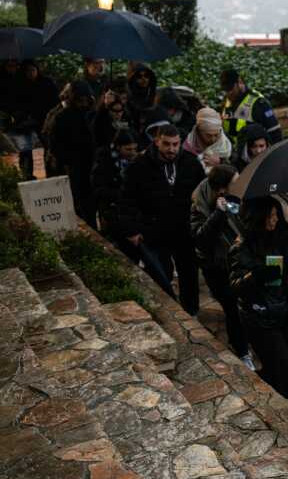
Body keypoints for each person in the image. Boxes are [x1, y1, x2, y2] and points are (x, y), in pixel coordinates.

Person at [118, 124, 206, 312]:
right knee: (161, 276)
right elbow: (127, 200)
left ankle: (191, 313)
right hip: (155, 230)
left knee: (189, 275)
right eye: (167, 144)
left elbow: (202, 195)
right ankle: (171, 313)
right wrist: (132, 230)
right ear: (157, 142)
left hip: (184, 231)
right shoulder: (139, 166)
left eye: (175, 144)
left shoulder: (190, 163)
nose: (171, 149)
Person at [229, 196, 288, 408]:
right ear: (258, 217)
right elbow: (235, 286)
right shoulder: (240, 247)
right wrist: (257, 275)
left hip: (283, 314)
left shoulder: (278, 237)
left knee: (278, 368)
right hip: (261, 320)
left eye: (276, 215)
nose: (275, 220)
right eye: (271, 216)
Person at [190, 164, 250, 363]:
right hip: (216, 268)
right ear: (222, 190)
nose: (240, 185)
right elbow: (200, 239)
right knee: (232, 308)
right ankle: (243, 352)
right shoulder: (200, 204)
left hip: (239, 261)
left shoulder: (237, 198)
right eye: (235, 182)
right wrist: (218, 214)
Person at [49, 80, 98, 226]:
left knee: (91, 200)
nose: (83, 103)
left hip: (92, 162)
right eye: (80, 100)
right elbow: (55, 144)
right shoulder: (62, 117)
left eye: (85, 100)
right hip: (74, 165)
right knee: (78, 200)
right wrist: (67, 161)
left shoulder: (93, 115)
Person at [7, 60, 58, 180]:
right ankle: (27, 175)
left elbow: (53, 102)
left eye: (33, 70)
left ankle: (50, 172)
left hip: (43, 120)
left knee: (48, 148)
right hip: (25, 122)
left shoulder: (46, 83)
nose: (30, 73)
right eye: (28, 71)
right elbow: (15, 103)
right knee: (26, 151)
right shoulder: (19, 84)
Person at [91, 128, 140, 250]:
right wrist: (120, 195)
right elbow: (98, 188)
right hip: (112, 211)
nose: (132, 153)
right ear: (118, 147)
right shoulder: (104, 160)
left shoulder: (137, 161)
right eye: (128, 149)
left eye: (134, 149)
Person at [220, 68, 282, 146]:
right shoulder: (227, 101)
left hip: (254, 153)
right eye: (225, 90)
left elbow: (274, 132)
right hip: (233, 153)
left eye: (230, 89)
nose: (228, 93)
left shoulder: (257, 102)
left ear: (239, 82)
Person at [183, 107, 233, 172]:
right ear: (199, 132)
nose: (213, 139)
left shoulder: (226, 144)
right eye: (208, 135)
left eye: (216, 135)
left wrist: (220, 163)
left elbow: (233, 168)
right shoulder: (188, 147)